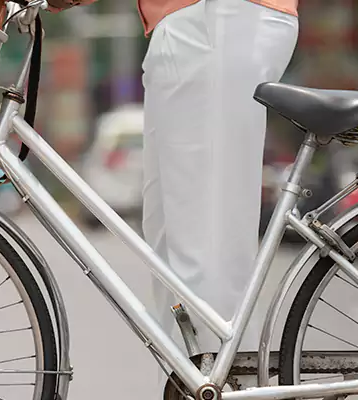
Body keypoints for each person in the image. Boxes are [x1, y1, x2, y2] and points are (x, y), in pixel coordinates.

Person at [47, 0, 300, 392]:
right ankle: (192, 385)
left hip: (216, 20)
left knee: (203, 254)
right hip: (188, 24)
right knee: (169, 255)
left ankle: (227, 387)